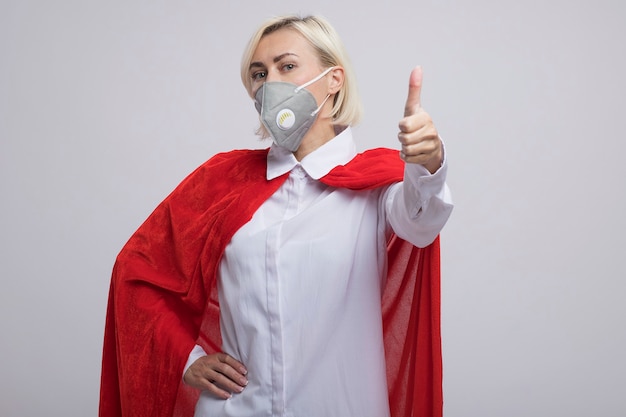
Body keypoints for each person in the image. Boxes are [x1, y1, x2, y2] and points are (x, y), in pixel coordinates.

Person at [99, 14, 453, 417]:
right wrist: (187, 357)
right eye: (258, 73)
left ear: (334, 78)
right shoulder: (221, 182)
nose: (270, 84)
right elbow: (137, 271)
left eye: (286, 66)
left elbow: (421, 222)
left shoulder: (378, 187)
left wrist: (429, 161)